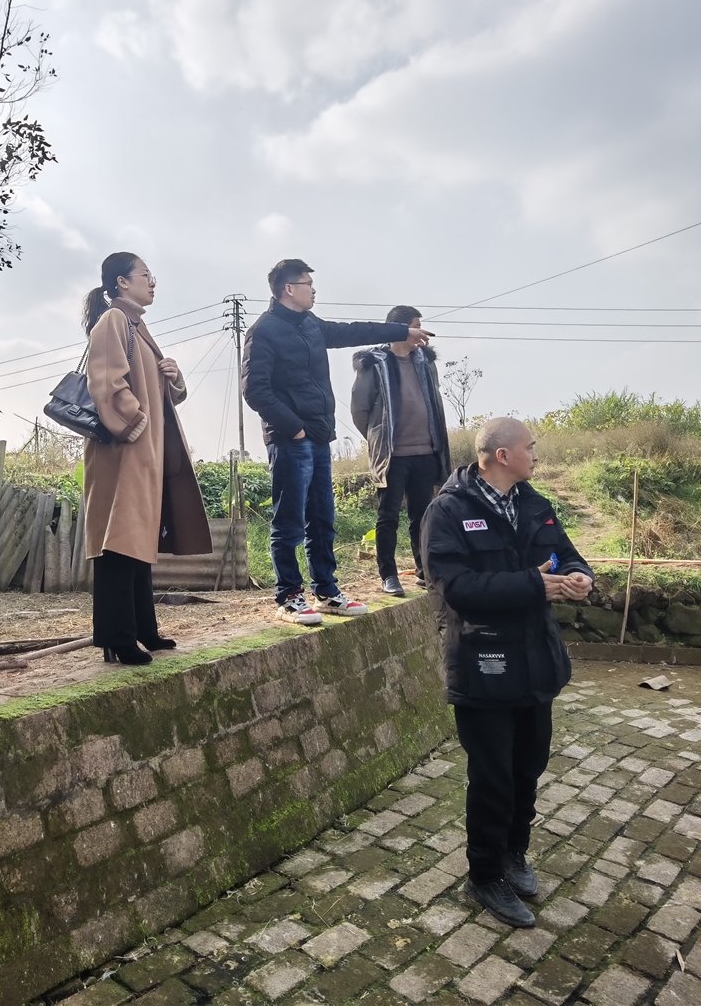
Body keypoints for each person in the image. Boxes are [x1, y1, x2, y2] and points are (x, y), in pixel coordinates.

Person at [421, 417, 593, 928]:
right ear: (502, 455)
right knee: (492, 778)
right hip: (483, 665)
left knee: (527, 768)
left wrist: (580, 577)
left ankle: (515, 854)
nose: (536, 455)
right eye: (530, 447)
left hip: (537, 661)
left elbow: (566, 555)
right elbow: (456, 589)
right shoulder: (448, 512)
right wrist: (534, 585)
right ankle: (485, 874)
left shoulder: (535, 505)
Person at [242, 259, 430, 625]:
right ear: (288, 289)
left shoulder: (311, 325)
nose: (314, 290)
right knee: (289, 522)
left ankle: (326, 591)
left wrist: (401, 330)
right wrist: (294, 428)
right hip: (291, 440)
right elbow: (255, 390)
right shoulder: (263, 331)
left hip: (318, 437)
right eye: (307, 284)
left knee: (322, 519)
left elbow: (353, 331)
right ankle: (289, 597)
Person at [82, 252, 212, 665]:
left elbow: (149, 388)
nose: (152, 282)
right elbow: (106, 382)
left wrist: (172, 376)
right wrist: (135, 424)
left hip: (142, 451)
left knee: (137, 539)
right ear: (122, 282)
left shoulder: (137, 325)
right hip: (123, 451)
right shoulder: (113, 320)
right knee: (118, 543)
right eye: (145, 275)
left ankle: (143, 630)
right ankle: (116, 639)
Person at [350, 305, 451, 597]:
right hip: (393, 456)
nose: (422, 333)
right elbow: (360, 410)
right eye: (417, 326)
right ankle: (389, 575)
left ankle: (423, 571)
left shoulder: (425, 362)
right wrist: (378, 439)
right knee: (388, 516)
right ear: (401, 329)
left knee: (423, 516)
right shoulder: (374, 363)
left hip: (426, 453)